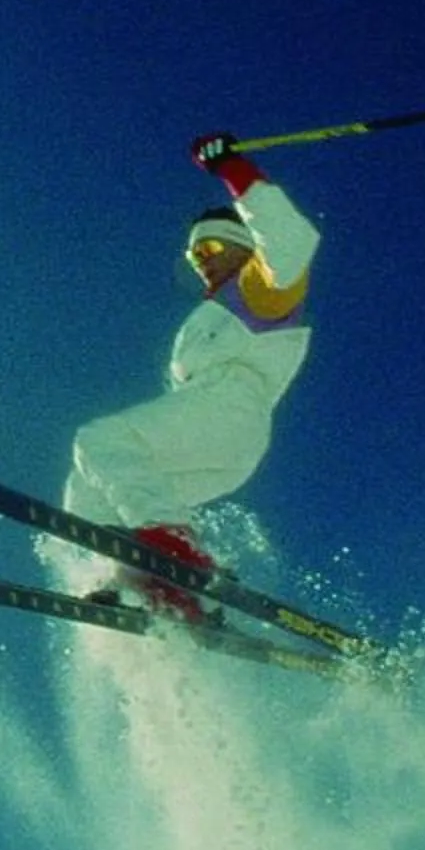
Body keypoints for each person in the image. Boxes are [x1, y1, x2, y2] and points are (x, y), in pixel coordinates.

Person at [63, 133, 321, 619]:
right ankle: (147, 582)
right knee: (90, 486)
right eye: (193, 254)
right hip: (218, 441)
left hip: (229, 409)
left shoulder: (260, 289)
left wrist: (234, 169)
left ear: (244, 245)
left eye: (211, 246)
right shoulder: (212, 315)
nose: (201, 258)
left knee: (97, 439)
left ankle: (174, 547)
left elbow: (291, 239)